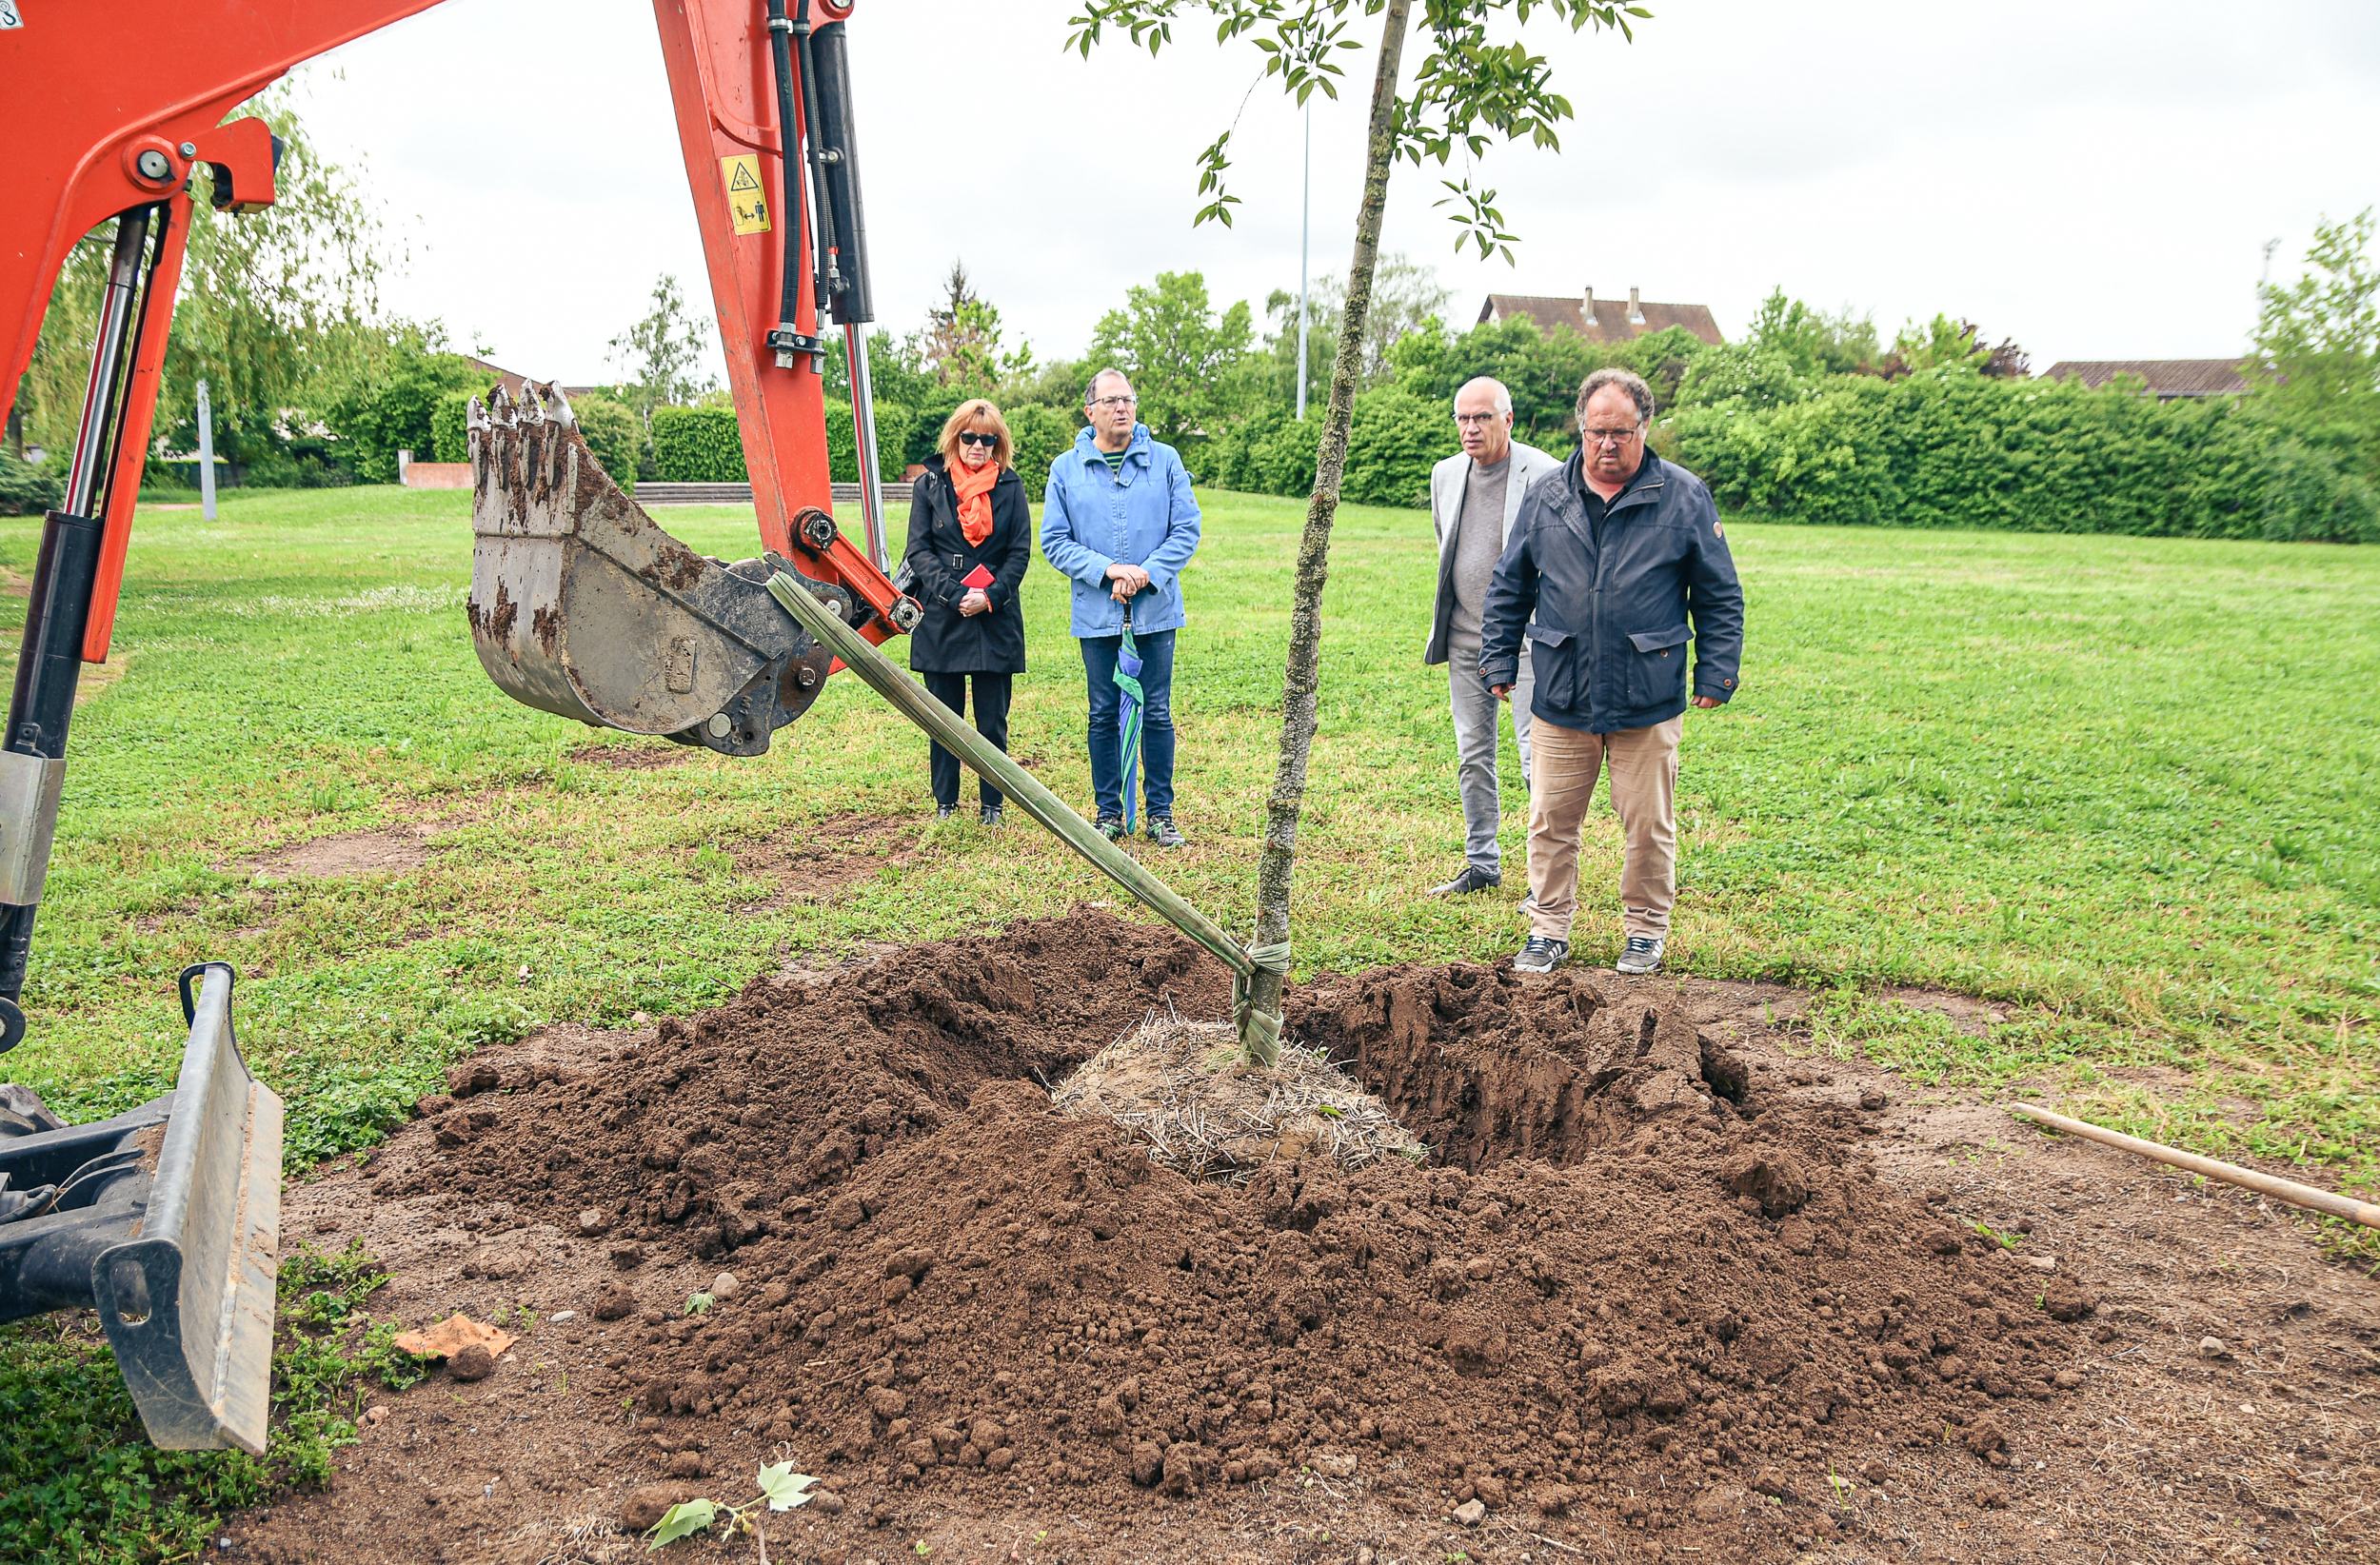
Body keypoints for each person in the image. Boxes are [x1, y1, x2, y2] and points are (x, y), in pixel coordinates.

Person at [1479, 366, 1744, 976]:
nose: (1607, 444)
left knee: (1648, 825)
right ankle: (1548, 929)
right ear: (1581, 427)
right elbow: (1509, 586)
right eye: (1596, 431)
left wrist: (1716, 671)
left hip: (1646, 694)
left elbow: (1719, 594)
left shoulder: (1683, 497)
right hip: (1562, 691)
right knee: (1549, 821)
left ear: (1645, 428)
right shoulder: (1547, 494)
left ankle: (1646, 931)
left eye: (1621, 432)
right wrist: (1497, 656)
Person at [1040, 367, 1202, 847]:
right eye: (1111, 401)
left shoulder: (1166, 461)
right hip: (1097, 612)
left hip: (1155, 610)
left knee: (1156, 710)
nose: (1122, 408)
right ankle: (1108, 813)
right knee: (1102, 712)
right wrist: (1108, 570)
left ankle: (1161, 815)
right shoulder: (1066, 469)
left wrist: (1145, 573)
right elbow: (1055, 541)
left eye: (1128, 399)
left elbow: (1186, 529)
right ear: (1090, 412)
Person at [1423, 375, 1565, 899]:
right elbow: (1448, 545)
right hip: (1465, 639)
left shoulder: (1546, 473)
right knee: (1472, 753)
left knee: (1537, 757)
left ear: (1508, 419)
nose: (1470, 428)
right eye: (1462, 418)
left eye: (1482, 417)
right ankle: (1481, 864)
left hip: (1528, 641)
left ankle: (1544, 878)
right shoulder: (1445, 475)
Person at [903, 399, 1033, 822]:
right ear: (955, 437)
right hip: (944, 613)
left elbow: (1019, 553)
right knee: (944, 718)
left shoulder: (1011, 486)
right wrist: (952, 593)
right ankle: (946, 802)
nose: (978, 446)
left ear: (998, 443)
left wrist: (991, 596)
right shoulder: (929, 486)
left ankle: (992, 804)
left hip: (994, 615)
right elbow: (918, 551)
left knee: (992, 720)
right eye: (970, 437)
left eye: (988, 439)